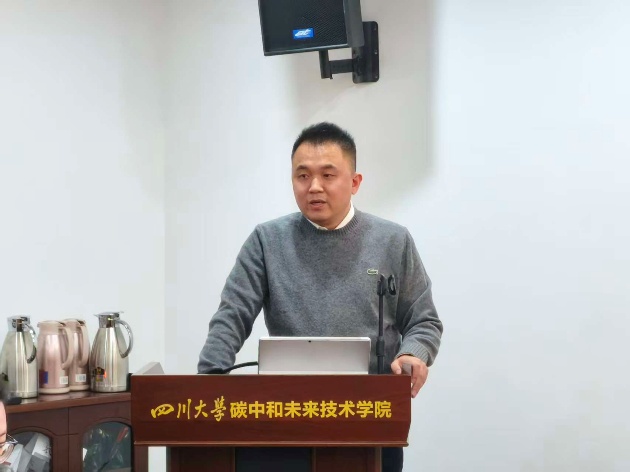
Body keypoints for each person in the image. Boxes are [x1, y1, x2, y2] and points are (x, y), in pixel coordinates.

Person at [198, 122, 443, 472]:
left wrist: (413, 353)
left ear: (354, 182)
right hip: (284, 416)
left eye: (328, 175)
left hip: (371, 417)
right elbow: (231, 316)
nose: (314, 187)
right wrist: (208, 382)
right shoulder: (267, 241)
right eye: (302, 176)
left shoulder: (392, 241)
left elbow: (424, 320)